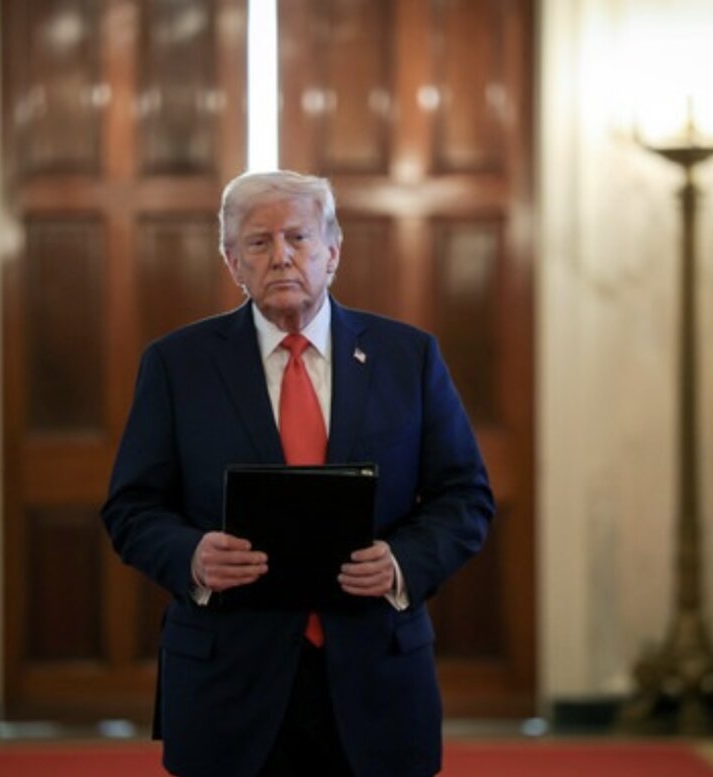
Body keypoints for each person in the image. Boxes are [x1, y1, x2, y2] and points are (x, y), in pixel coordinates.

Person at [102, 170, 494, 777]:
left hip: (376, 676)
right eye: (259, 242)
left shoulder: (407, 357)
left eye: (299, 238)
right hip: (228, 683)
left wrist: (401, 563)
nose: (281, 256)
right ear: (233, 261)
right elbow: (132, 507)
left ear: (332, 251)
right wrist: (192, 557)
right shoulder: (177, 365)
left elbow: (465, 496)